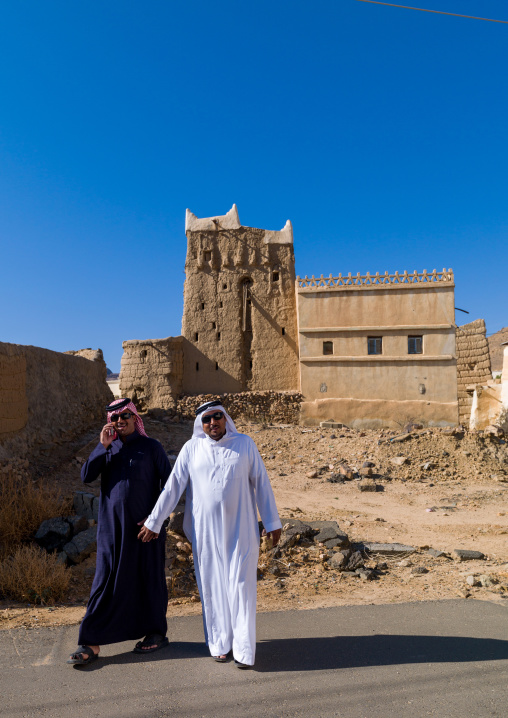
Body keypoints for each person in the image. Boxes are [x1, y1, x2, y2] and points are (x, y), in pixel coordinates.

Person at [138, 399, 282, 669]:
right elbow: (172, 488)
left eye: (217, 417)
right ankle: (219, 644)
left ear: (225, 418)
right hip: (206, 533)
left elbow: (261, 482)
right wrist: (154, 521)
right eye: (206, 419)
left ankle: (243, 650)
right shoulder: (192, 449)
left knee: (241, 587)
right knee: (213, 587)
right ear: (200, 424)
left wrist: (272, 521)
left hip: (242, 530)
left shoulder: (245, 445)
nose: (212, 423)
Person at [67, 398, 171, 665]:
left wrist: (156, 520)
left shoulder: (152, 447)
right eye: (115, 417)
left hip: (146, 530)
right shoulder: (107, 449)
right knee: (105, 580)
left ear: (135, 418)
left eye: (126, 415)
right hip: (112, 530)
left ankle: (156, 634)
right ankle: (90, 642)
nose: (120, 421)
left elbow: (170, 486)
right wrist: (101, 446)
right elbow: (86, 476)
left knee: (148, 579)